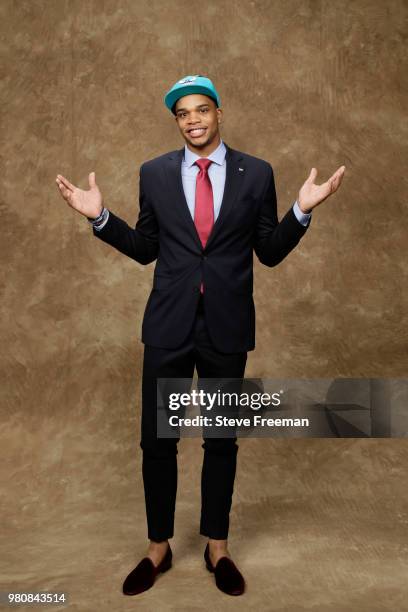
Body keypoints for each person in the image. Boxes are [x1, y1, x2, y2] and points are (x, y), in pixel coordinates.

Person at [56, 74, 345, 597]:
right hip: (168, 324)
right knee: (158, 440)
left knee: (221, 440)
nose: (193, 120)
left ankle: (217, 546)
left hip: (227, 326)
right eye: (183, 113)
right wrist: (100, 217)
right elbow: (146, 247)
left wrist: (302, 211)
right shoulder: (155, 173)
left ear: (218, 112)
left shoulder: (256, 173)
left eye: (201, 110)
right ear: (178, 121)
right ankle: (158, 548)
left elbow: (270, 251)